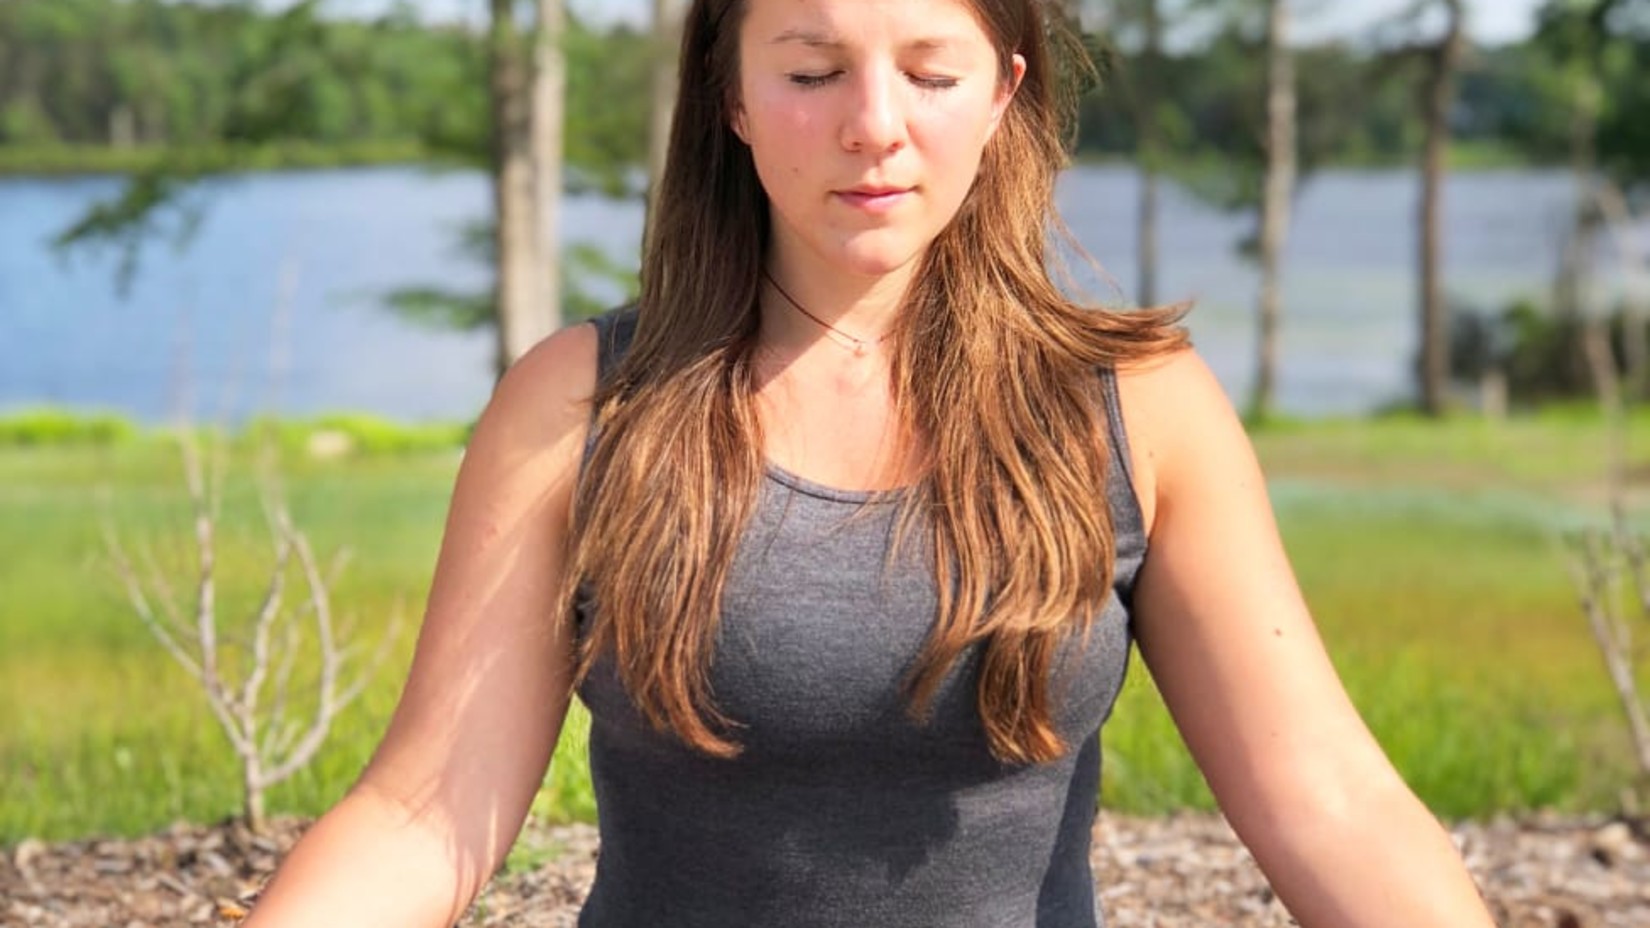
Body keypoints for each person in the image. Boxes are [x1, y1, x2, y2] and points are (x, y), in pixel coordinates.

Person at [242, 0, 1497, 925]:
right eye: (812, 69)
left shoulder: (1136, 410)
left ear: (1004, 93)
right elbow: (424, 819)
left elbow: (1328, 800)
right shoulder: (582, 404)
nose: (874, 128)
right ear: (730, 94)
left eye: (930, 73)